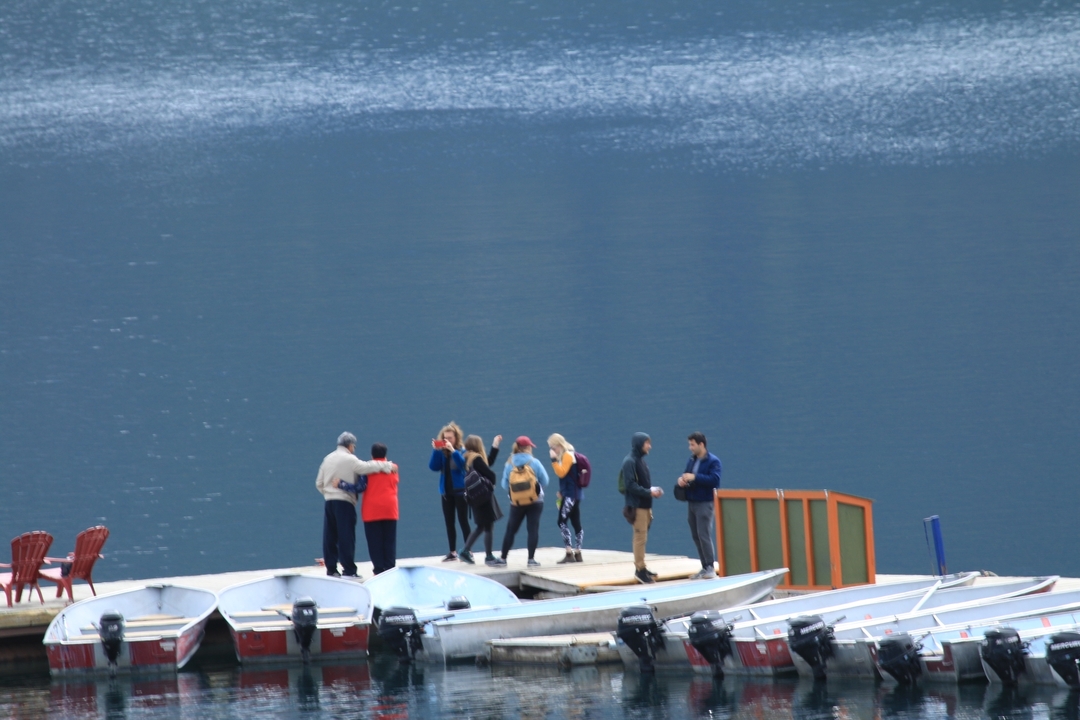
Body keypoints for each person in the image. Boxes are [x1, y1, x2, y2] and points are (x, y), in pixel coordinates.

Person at [314, 432, 395, 578]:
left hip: (329, 502)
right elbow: (366, 467)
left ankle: (331, 569)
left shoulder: (327, 459)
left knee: (330, 536)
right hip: (344, 501)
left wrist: (328, 493)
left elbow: (318, 483)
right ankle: (349, 570)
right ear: (350, 446)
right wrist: (387, 465)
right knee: (346, 536)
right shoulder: (350, 459)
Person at [492, 436, 549, 567]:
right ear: (528, 448)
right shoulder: (534, 462)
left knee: (511, 530)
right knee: (532, 529)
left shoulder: (509, 463)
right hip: (535, 501)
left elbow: (504, 485)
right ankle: (531, 560)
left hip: (516, 503)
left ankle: (503, 559)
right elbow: (545, 480)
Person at [677, 432, 723, 579]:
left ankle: (710, 567)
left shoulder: (713, 461)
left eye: (692, 444)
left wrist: (695, 477)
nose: (690, 448)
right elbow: (687, 474)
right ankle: (704, 567)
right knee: (695, 535)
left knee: (704, 534)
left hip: (705, 503)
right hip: (692, 502)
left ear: (701, 444)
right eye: (689, 444)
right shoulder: (692, 460)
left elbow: (714, 480)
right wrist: (682, 480)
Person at [623, 432, 663, 584]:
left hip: (646, 506)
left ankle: (643, 568)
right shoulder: (630, 461)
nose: (649, 446)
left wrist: (652, 489)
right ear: (640, 444)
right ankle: (639, 571)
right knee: (639, 539)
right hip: (637, 506)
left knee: (643, 538)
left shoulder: (639, 460)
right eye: (647, 443)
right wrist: (649, 492)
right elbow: (630, 485)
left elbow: (642, 484)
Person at [429, 421, 471, 561]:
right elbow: (433, 467)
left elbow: (463, 466)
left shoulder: (462, 451)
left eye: (450, 438)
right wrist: (436, 450)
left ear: (456, 438)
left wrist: (453, 451)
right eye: (445, 438)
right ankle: (452, 552)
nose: (447, 440)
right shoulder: (441, 453)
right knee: (449, 522)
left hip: (460, 491)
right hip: (446, 492)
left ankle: (468, 550)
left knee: (463, 520)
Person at [459, 434, 503, 565]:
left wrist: (495, 445)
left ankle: (465, 550)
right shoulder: (477, 459)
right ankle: (488, 556)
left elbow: (488, 462)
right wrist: (492, 485)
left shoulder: (468, 459)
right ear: (478, 445)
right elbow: (490, 473)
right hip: (484, 496)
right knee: (488, 526)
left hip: (474, 497)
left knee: (481, 526)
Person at [360, 443, 401, 576]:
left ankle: (378, 569)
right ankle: (390, 568)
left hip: (371, 510)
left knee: (374, 542)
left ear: (372, 455)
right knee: (389, 540)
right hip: (390, 508)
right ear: (385, 454)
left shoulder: (366, 470)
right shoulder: (393, 468)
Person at [548, 433, 584, 564]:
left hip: (571, 495)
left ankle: (569, 552)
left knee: (562, 521)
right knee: (575, 521)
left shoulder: (568, 455)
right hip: (573, 493)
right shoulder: (568, 454)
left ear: (558, 445)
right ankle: (578, 553)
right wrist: (561, 491)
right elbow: (568, 477)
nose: (552, 450)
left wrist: (553, 461)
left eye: (552, 447)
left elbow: (561, 472)